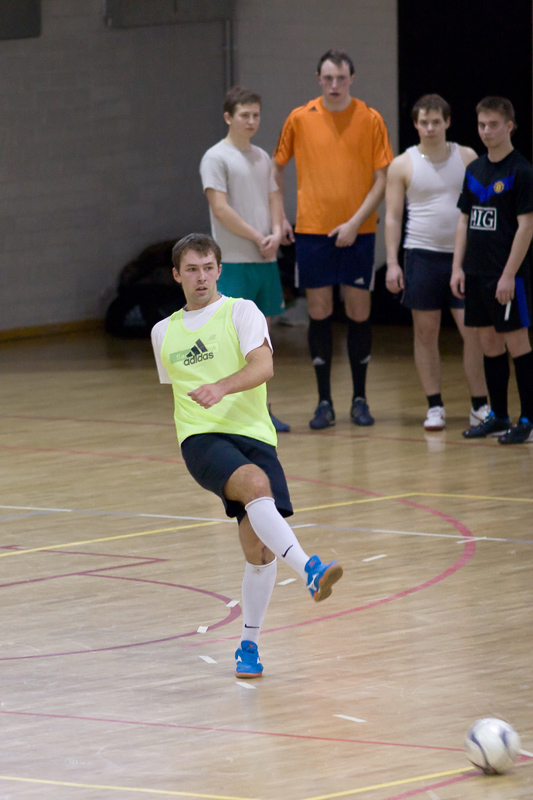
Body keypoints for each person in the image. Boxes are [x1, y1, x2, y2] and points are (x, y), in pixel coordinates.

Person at [151, 233, 343, 678]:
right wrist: (209, 399)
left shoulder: (242, 312)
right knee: (255, 484)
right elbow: (178, 387)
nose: (201, 277)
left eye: (208, 268)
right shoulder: (163, 331)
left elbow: (263, 366)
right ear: (177, 275)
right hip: (200, 438)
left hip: (255, 436)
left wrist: (221, 387)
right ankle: (310, 569)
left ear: (220, 270)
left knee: (258, 550)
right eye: (192, 269)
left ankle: (248, 646)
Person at [272, 49, 393, 430]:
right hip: (313, 232)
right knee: (319, 312)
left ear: (352, 78)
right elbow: (275, 168)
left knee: (358, 311)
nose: (335, 85)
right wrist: (279, 218)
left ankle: (360, 399)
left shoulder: (371, 118)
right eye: (328, 78)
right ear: (318, 79)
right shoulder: (299, 118)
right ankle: (324, 402)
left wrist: (355, 222)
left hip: (360, 231)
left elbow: (383, 180)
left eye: (341, 78)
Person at [385, 94, 489, 431]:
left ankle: (480, 405)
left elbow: (483, 207)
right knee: (425, 332)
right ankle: (434, 406)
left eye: (436, 122)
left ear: (447, 122)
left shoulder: (467, 157)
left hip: (464, 258)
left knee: (472, 332)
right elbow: (392, 217)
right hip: (421, 255)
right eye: (423, 122)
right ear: (415, 125)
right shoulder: (402, 164)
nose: (430, 128)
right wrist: (392, 263)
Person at [200, 86, 289, 433]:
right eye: (244, 115)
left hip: (264, 260)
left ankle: (262, 410)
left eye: (256, 115)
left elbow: (274, 197)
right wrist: (257, 236)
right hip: (235, 260)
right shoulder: (216, 158)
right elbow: (220, 208)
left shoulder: (262, 157)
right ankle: (232, 412)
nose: (251, 121)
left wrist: (277, 233)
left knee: (261, 340)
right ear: (228, 117)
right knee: (232, 340)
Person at [451, 97, 533, 444]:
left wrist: (508, 275)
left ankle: (528, 420)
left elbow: (526, 226)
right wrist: (457, 267)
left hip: (507, 276)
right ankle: (499, 416)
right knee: (488, 343)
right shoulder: (474, 170)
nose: (486, 131)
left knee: (517, 344)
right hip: (476, 273)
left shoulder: (521, 171)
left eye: (493, 125)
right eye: (482, 125)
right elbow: (464, 221)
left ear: (509, 126)